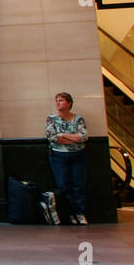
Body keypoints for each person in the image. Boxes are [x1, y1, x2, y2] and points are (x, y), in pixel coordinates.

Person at [46, 91, 88, 226]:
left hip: (78, 155)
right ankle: (69, 214)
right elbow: (52, 137)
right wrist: (72, 138)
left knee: (78, 184)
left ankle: (80, 213)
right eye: (57, 100)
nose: (58, 103)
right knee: (64, 185)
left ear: (69, 103)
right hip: (59, 155)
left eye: (61, 100)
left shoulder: (78, 119)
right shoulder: (52, 119)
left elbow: (83, 137)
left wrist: (63, 134)